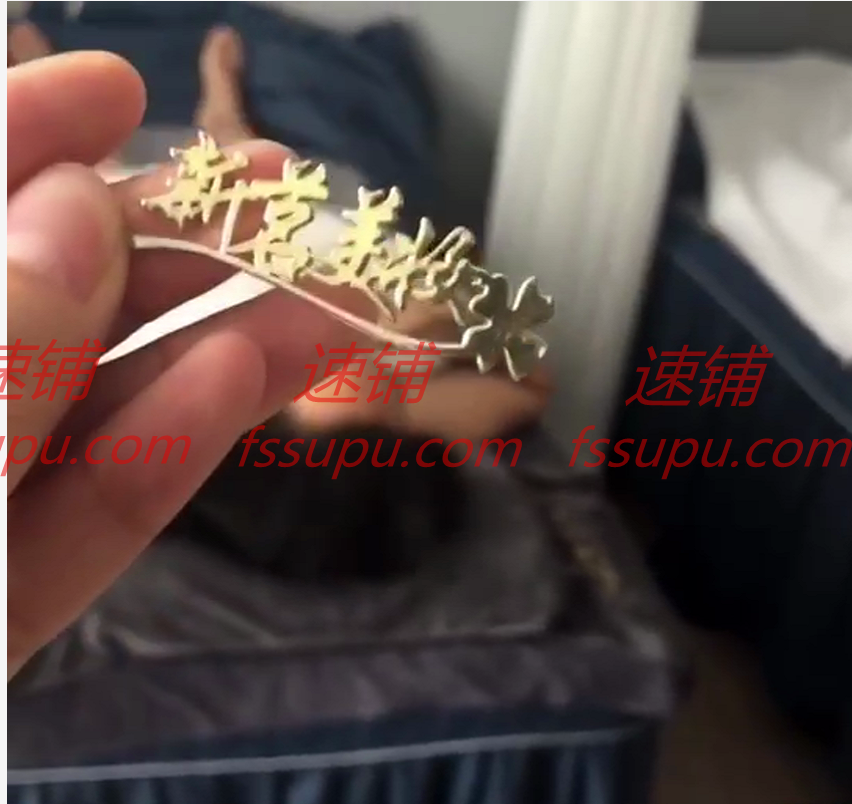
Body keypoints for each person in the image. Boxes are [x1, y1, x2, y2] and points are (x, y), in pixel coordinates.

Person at [7, 40, 551, 677]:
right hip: (355, 226)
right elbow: (533, 380)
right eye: (389, 411)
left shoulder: (204, 346)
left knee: (132, 184)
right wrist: (431, 326)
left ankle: (199, 106)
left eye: (329, 384)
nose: (369, 375)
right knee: (254, 169)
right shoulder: (413, 417)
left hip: (243, 228)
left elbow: (127, 217)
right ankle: (221, 109)